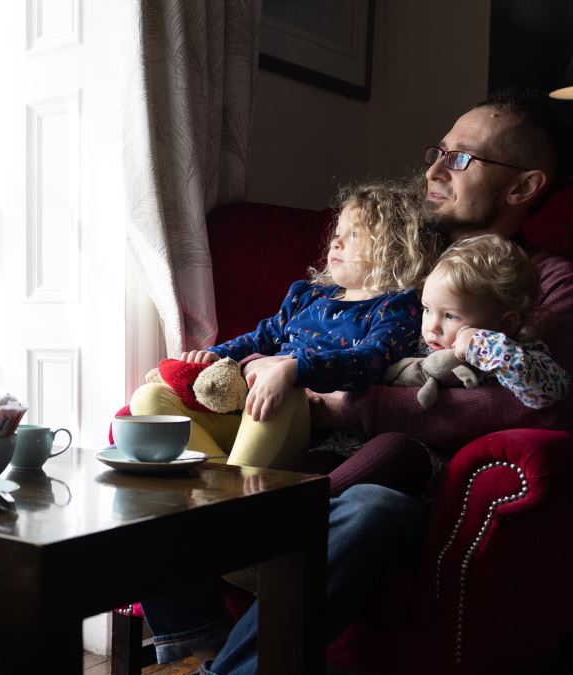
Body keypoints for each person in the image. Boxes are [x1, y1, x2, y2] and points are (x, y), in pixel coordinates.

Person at [83, 92, 573, 675]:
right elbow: (302, 334)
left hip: (394, 477)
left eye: (461, 155)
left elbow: (539, 404)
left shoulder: (545, 281)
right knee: (163, 475)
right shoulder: (398, 258)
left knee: (374, 512)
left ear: (524, 186)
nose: (436, 167)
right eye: (437, 150)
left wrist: (353, 403)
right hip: (297, 450)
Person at [129, 180, 433, 471]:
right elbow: (262, 337)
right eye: (337, 233)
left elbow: (371, 360)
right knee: (149, 398)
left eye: (353, 234)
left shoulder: (395, 307)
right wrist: (215, 356)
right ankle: (229, 487)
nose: (336, 241)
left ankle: (232, 494)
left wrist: (293, 370)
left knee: (286, 389)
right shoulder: (307, 296)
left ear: (393, 247)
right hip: (248, 413)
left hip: (298, 424)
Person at [310, 232, 570, 498]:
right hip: (351, 444)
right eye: (427, 309)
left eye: (450, 316)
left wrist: (484, 345)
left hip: (426, 458)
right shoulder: (417, 341)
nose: (432, 326)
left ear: (504, 324)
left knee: (395, 448)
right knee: (315, 458)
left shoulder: (516, 353)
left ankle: (303, 505)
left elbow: (550, 393)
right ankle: (288, 500)